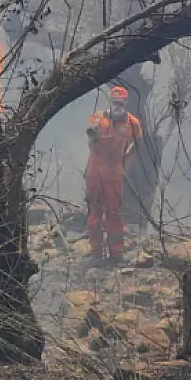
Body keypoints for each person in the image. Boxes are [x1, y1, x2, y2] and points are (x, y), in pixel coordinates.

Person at [84, 85, 143, 262]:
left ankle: (116, 254)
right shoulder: (98, 118)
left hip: (114, 173)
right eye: (114, 102)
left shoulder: (132, 123)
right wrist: (93, 136)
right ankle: (96, 252)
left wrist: (127, 156)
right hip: (95, 171)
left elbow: (139, 141)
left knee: (113, 213)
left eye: (120, 102)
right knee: (95, 212)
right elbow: (90, 142)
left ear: (126, 102)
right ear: (110, 101)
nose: (117, 105)